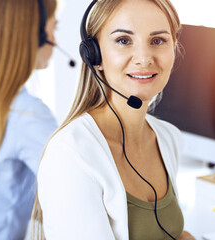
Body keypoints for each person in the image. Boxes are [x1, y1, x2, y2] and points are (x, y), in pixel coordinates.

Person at [35, 0, 195, 239]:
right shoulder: (71, 153)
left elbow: (171, 233)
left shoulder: (166, 137)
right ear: (94, 55)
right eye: (123, 40)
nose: (144, 58)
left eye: (158, 40)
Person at [0, 0, 58, 239]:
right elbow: (80, 189)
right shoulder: (27, 115)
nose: (55, 41)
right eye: (53, 29)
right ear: (36, 35)